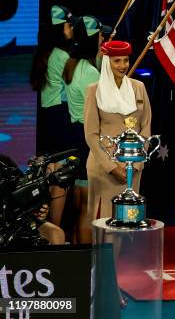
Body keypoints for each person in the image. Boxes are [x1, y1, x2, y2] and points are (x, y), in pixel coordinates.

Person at [84, 40, 152, 226]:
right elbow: (91, 134)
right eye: (117, 61)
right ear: (107, 62)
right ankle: (104, 256)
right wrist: (112, 168)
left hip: (133, 167)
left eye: (126, 60)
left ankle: (127, 256)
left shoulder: (139, 87)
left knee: (129, 220)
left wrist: (135, 164)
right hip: (103, 168)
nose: (123, 66)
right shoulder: (94, 91)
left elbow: (145, 127)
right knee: (104, 221)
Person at [30, 5, 75, 227]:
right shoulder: (62, 56)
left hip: (46, 119)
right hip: (59, 117)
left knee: (49, 173)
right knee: (60, 176)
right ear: (60, 29)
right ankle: (54, 232)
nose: (71, 29)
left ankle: (46, 228)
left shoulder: (44, 54)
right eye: (68, 25)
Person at [64, 15, 103, 244]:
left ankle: (78, 259)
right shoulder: (89, 73)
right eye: (99, 35)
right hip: (86, 139)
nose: (102, 38)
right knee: (88, 211)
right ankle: (87, 263)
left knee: (79, 207)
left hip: (75, 136)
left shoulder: (73, 64)